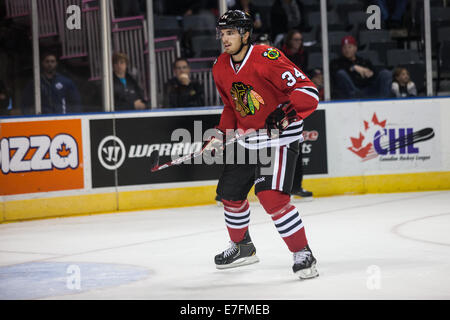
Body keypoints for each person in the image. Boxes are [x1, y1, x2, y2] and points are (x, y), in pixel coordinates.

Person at [208, 10, 319, 279]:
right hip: (248, 140)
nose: (225, 38)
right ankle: (242, 247)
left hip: (279, 139)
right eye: (222, 33)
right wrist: (220, 133)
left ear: (245, 34)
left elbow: (309, 92)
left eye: (231, 32)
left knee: (272, 198)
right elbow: (231, 107)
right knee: (230, 195)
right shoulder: (219, 67)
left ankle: (303, 253)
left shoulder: (266, 57)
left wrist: (286, 113)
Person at [330, 35, 392, 100]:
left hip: (368, 89)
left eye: (349, 47)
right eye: (344, 48)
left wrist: (371, 73)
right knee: (341, 73)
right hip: (352, 92)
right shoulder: (336, 62)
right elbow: (336, 74)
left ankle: (384, 101)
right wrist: (354, 67)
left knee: (385, 74)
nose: (347, 50)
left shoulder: (363, 61)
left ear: (355, 48)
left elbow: (373, 75)